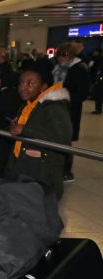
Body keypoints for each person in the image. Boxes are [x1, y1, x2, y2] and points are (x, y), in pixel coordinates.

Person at [7, 63, 72, 199]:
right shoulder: (30, 105)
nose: (23, 87)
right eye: (21, 83)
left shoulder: (55, 108)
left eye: (30, 83)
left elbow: (63, 141)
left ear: (43, 86)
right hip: (25, 171)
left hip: (42, 178)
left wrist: (25, 129)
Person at [53, 42, 90, 183]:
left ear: (71, 55)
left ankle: (66, 171)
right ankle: (56, 167)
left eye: (64, 55)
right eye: (59, 55)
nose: (61, 58)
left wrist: (65, 98)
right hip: (55, 107)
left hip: (70, 109)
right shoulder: (57, 68)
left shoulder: (79, 68)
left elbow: (83, 92)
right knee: (55, 136)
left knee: (66, 139)